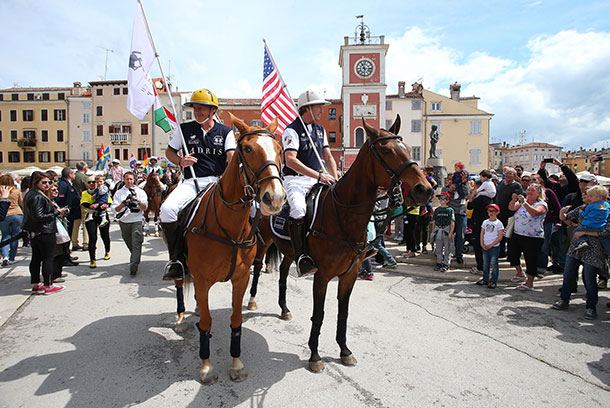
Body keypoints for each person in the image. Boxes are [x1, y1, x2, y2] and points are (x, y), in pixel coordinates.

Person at [159, 88, 236, 280]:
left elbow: (231, 158)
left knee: (251, 210)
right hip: (191, 182)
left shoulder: (226, 132)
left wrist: (225, 177)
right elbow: (169, 152)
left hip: (216, 183)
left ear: (213, 111)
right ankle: (176, 260)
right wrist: (180, 161)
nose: (198, 112)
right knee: (167, 210)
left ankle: (247, 254)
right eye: (195, 108)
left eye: (202, 109)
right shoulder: (184, 129)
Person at [282, 89, 338, 276]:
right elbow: (291, 160)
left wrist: (335, 178)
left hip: (317, 178)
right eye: (319, 107)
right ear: (307, 108)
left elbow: (328, 157)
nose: (322, 110)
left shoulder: (320, 130)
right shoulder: (291, 130)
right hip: (295, 180)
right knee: (298, 209)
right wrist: (319, 176)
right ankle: (301, 257)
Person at [553, 203, 609, 319]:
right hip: (576, 247)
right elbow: (567, 218)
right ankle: (564, 300)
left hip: (594, 249)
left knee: (589, 279)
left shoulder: (606, 210)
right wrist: (562, 215)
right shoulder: (583, 207)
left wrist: (585, 232)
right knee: (568, 274)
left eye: (589, 194)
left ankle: (591, 307)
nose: (585, 195)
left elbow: (606, 231)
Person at [22, 171, 67, 295]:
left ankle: (36, 283)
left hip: (36, 231)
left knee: (36, 258)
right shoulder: (37, 196)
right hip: (44, 231)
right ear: (36, 183)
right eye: (44, 182)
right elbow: (39, 216)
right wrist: (57, 213)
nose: (47, 185)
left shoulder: (32, 194)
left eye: (48, 182)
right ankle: (48, 285)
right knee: (47, 258)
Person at [508, 183, 548, 290]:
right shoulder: (522, 202)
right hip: (517, 234)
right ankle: (520, 273)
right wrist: (513, 200)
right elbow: (511, 208)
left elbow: (535, 213)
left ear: (538, 193)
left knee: (531, 259)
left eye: (532, 190)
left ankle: (529, 282)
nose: (529, 192)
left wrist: (524, 203)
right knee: (512, 254)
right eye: (528, 190)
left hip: (533, 237)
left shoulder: (541, 204)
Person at [111, 171, 148, 276]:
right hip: (124, 221)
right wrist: (123, 204)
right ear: (124, 180)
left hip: (136, 220)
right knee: (130, 243)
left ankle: (134, 264)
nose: (129, 181)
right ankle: (135, 257)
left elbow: (145, 207)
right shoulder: (119, 193)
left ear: (134, 180)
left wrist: (138, 201)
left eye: (131, 179)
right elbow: (114, 209)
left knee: (137, 242)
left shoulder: (140, 192)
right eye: (127, 179)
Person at [81, 175, 112, 268]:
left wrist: (102, 205)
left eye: (93, 182)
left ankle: (107, 251)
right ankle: (92, 259)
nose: (91, 184)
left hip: (102, 215)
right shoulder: (85, 193)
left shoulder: (103, 190)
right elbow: (84, 203)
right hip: (91, 216)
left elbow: (108, 202)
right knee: (92, 237)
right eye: (89, 182)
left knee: (105, 235)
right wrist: (92, 206)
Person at [495, 167, 524, 261]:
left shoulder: (517, 186)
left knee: (509, 236)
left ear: (514, 176)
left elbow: (520, 200)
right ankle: (501, 253)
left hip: (510, 214)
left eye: (510, 174)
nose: (508, 175)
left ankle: (511, 256)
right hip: (499, 213)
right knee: (500, 233)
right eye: (507, 173)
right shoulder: (500, 184)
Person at [45, 182, 70, 284]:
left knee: (61, 252)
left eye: (57, 190)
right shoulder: (47, 202)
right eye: (53, 190)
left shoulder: (53, 201)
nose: (56, 192)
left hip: (59, 229)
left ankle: (58, 272)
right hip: (53, 230)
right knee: (55, 253)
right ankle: (54, 275)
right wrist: (58, 212)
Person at [573, 185, 610, 253]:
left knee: (576, 231)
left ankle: (583, 241)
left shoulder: (591, 206)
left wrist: (581, 212)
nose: (590, 198)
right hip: (601, 226)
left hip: (588, 225)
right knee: (604, 239)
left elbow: (584, 215)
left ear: (599, 197)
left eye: (591, 196)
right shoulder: (607, 205)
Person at [55, 167, 80, 266]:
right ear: (69, 175)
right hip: (65, 215)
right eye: (73, 173)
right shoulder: (63, 185)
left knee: (68, 237)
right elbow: (59, 199)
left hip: (71, 214)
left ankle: (67, 255)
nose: (74, 175)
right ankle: (64, 258)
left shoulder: (68, 184)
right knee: (65, 237)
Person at [467, 180, 493, 275]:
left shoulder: (480, 198)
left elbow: (470, 206)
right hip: (486, 223)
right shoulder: (489, 197)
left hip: (478, 224)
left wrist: (472, 196)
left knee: (478, 245)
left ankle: (480, 267)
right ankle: (485, 266)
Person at [476, 204, 504, 289]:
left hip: (494, 247)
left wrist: (491, 245)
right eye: (489, 211)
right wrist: (482, 243)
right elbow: (482, 233)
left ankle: (493, 280)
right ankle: (485, 278)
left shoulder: (499, 223)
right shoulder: (485, 222)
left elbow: (500, 237)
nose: (491, 213)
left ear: (497, 212)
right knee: (485, 264)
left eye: (493, 211)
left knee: (494, 264)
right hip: (485, 246)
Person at [0, 174, 23, 266]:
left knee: (5, 236)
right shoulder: (16, 191)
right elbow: (21, 203)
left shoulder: (1, 191)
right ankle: (12, 258)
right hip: (16, 213)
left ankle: (5, 256)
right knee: (15, 237)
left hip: (4, 215)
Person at [430, 192, 455, 272]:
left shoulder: (450, 210)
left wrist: (451, 232)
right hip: (439, 230)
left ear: (447, 200)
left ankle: (446, 264)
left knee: (447, 248)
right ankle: (439, 262)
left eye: (443, 198)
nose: (441, 200)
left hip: (446, 230)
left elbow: (452, 222)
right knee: (438, 248)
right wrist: (433, 231)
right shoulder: (437, 210)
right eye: (440, 198)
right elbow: (434, 221)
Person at [71, 161, 89, 251]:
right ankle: (86, 243)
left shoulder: (74, 176)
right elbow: (89, 189)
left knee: (76, 223)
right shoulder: (84, 177)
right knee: (85, 223)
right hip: (83, 201)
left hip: (74, 202)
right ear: (85, 168)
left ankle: (74, 242)